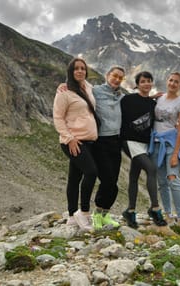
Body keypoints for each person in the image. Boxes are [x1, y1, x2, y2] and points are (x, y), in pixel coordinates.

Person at [53, 57, 99, 231]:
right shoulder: (64, 91)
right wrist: (69, 138)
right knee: (91, 171)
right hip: (73, 141)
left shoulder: (88, 87)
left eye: (83, 68)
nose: (80, 71)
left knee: (74, 178)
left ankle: (72, 215)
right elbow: (58, 117)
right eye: (76, 69)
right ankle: (84, 213)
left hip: (88, 141)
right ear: (71, 72)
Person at [120, 71, 167, 229]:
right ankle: (155, 209)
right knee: (151, 169)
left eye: (149, 81)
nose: (146, 84)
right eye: (143, 81)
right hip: (130, 141)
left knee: (134, 175)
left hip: (145, 144)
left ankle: (130, 211)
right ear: (137, 84)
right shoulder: (127, 99)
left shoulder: (153, 104)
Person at [149, 72, 180, 235]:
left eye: (176, 82)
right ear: (167, 81)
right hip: (157, 143)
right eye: (171, 80)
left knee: (173, 179)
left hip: (171, 144)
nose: (173, 83)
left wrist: (175, 154)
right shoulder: (159, 98)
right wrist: (152, 96)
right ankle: (168, 215)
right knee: (162, 181)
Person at [90, 66, 126, 230]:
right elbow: (80, 89)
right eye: (115, 76)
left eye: (120, 78)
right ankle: (97, 214)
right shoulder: (96, 91)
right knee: (108, 181)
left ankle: (105, 215)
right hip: (100, 141)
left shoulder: (120, 96)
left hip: (116, 142)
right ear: (107, 75)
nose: (117, 79)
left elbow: (136, 101)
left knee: (114, 181)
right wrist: (65, 85)